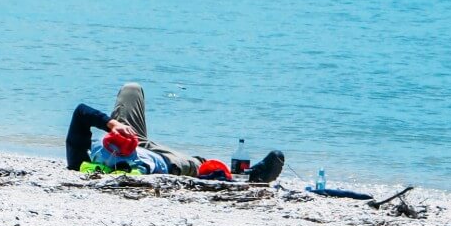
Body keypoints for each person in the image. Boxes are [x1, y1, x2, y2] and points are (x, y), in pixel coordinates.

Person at [64, 82, 285, 182]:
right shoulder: (88, 168)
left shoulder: (80, 157)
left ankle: (120, 125)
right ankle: (249, 177)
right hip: (159, 160)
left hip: (127, 138)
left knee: (131, 89)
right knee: (199, 164)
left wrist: (112, 125)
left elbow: (81, 112)